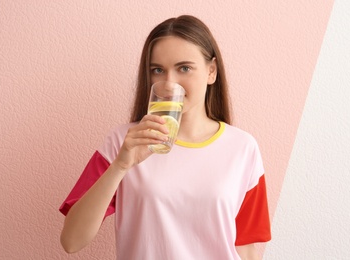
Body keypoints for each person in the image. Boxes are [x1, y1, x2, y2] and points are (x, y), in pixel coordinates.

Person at [59, 15, 271, 260]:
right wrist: (120, 165)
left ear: (211, 71)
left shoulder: (243, 148)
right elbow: (71, 241)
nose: (170, 83)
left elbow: (245, 247)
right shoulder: (124, 141)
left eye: (184, 68)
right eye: (158, 70)